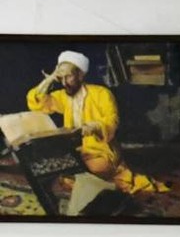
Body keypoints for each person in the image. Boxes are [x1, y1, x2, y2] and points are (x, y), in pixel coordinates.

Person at [25, 49, 161, 194]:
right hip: (75, 150)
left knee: (91, 170)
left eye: (69, 77)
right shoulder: (62, 96)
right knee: (64, 170)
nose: (64, 83)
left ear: (81, 75)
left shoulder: (102, 93)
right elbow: (37, 102)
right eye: (61, 78)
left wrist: (92, 127)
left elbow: (112, 121)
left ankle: (96, 184)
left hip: (100, 150)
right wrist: (50, 79)